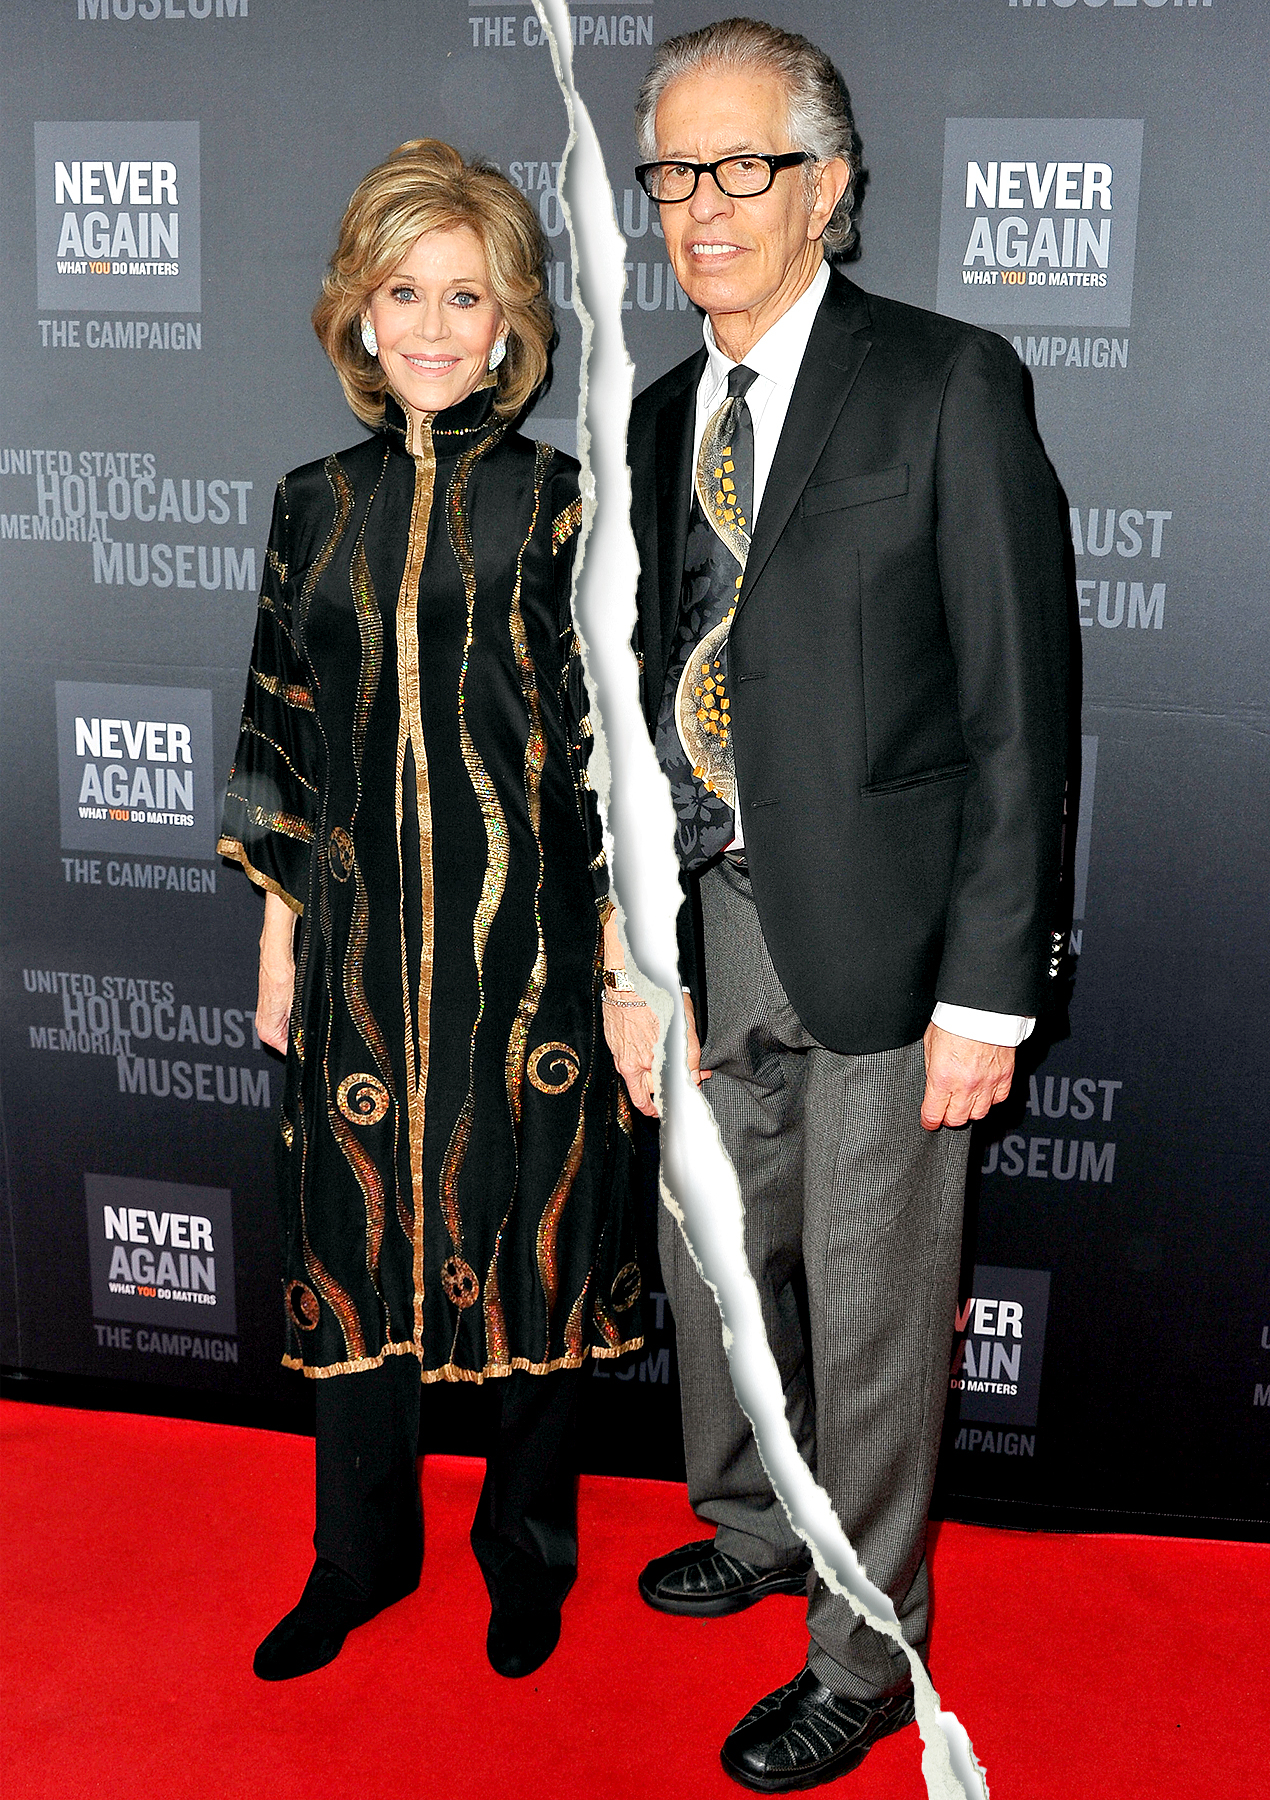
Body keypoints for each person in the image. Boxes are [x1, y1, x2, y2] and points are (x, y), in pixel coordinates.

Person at [624, 20, 1070, 1791]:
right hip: (702, 921)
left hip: (892, 942)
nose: (701, 207)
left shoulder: (947, 383)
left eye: (742, 167)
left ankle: (866, 1650)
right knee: (713, 1266)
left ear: (825, 183)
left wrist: (990, 993)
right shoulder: (661, 413)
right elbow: (635, 688)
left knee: (876, 1313)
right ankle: (747, 1519)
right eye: (673, 173)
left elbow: (1020, 712)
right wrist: (625, 948)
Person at [218, 138, 656, 1686]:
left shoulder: (563, 503)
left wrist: (620, 954)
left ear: (511, 320)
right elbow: (279, 727)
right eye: (402, 289)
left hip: (527, 943)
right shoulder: (308, 504)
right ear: (356, 307)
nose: (428, 324)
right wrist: (277, 934)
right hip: (350, 947)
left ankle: (525, 1555)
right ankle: (358, 1561)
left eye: (463, 295)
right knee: (353, 1236)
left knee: (528, 1230)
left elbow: (617, 739)